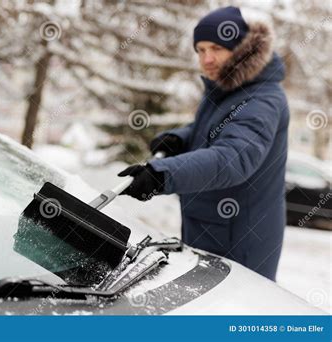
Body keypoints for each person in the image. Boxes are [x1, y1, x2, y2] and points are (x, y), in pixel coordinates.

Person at [118, 6, 289, 281]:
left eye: (216, 48)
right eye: (200, 50)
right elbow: (218, 130)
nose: (206, 58)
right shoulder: (229, 89)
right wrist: (182, 138)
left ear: (243, 48)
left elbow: (233, 157)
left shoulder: (263, 99)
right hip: (215, 229)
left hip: (238, 241)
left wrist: (162, 174)